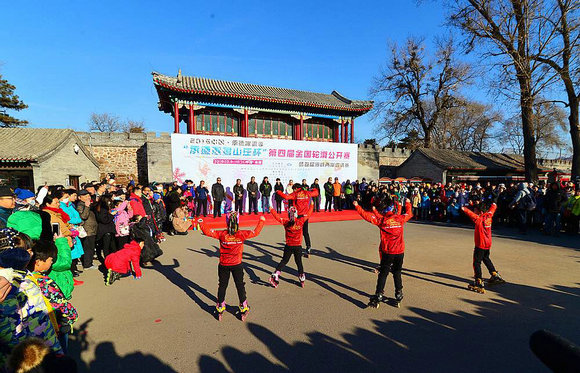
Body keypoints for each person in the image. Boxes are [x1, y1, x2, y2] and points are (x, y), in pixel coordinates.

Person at [199, 212, 265, 321]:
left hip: (224, 265)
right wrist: (261, 221)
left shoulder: (222, 234)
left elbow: (207, 232)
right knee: (240, 285)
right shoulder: (241, 234)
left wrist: (201, 223)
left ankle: (220, 306)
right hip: (237, 265)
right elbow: (256, 232)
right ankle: (243, 307)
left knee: (222, 285)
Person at [354, 196, 412, 308]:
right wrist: (407, 204)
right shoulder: (399, 219)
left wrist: (357, 206)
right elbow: (408, 213)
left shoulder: (382, 221)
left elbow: (367, 216)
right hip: (399, 251)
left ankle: (379, 295)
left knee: (383, 274)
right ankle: (399, 294)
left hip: (387, 252)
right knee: (397, 272)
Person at [27, 240, 78, 353]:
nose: (51, 263)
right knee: (60, 352)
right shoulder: (43, 282)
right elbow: (59, 302)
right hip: (55, 324)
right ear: (38, 262)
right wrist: (72, 315)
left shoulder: (26, 277)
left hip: (35, 328)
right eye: (51, 260)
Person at [461, 202, 504, 293]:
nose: (474, 212)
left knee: (476, 262)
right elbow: (493, 208)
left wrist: (464, 209)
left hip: (480, 244)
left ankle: (478, 281)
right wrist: (494, 204)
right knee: (486, 258)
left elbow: (471, 214)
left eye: (476, 210)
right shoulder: (489, 215)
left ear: (480, 212)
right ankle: (494, 274)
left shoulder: (479, 219)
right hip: (488, 243)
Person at [268, 205, 313, 288]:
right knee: (299, 262)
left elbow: (278, 218)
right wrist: (312, 205)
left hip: (288, 246)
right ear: (296, 214)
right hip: (298, 246)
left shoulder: (286, 223)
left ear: (289, 215)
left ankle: (276, 274)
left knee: (284, 261)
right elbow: (309, 214)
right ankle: (302, 277)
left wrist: (271, 210)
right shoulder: (300, 221)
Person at [275, 183, 319, 257]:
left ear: (295, 188)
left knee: (297, 232)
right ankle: (308, 247)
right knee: (305, 232)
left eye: (293, 189)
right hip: (305, 216)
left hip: (298, 216)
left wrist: (278, 192)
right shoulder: (307, 193)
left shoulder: (295, 194)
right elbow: (316, 193)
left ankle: (297, 248)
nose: (293, 190)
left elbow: (286, 197)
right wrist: (313, 189)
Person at [76, 190, 97, 270]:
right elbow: (83, 216)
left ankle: (88, 262)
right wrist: (87, 206)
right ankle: (87, 264)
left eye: (89, 196)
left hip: (91, 229)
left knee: (90, 247)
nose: (88, 197)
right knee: (88, 248)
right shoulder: (81, 205)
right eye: (85, 196)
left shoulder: (88, 204)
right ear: (80, 197)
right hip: (87, 229)